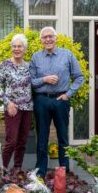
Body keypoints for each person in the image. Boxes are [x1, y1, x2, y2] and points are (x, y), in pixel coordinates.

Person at [29, 26, 84, 178]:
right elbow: (31, 82)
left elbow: (79, 77)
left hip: (61, 100)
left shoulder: (67, 55)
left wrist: (69, 94)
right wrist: (44, 79)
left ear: (56, 38)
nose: (48, 39)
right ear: (41, 40)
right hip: (42, 100)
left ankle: (64, 171)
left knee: (63, 137)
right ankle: (40, 172)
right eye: (44, 37)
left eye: (50, 36)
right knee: (42, 138)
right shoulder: (35, 57)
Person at [0, 33, 33, 170]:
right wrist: (8, 103)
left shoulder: (29, 66)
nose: (16, 49)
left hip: (27, 108)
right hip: (12, 108)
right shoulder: (4, 65)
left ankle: (17, 169)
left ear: (25, 49)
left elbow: (35, 84)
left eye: (20, 46)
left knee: (22, 141)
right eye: (14, 46)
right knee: (11, 141)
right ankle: (2, 170)